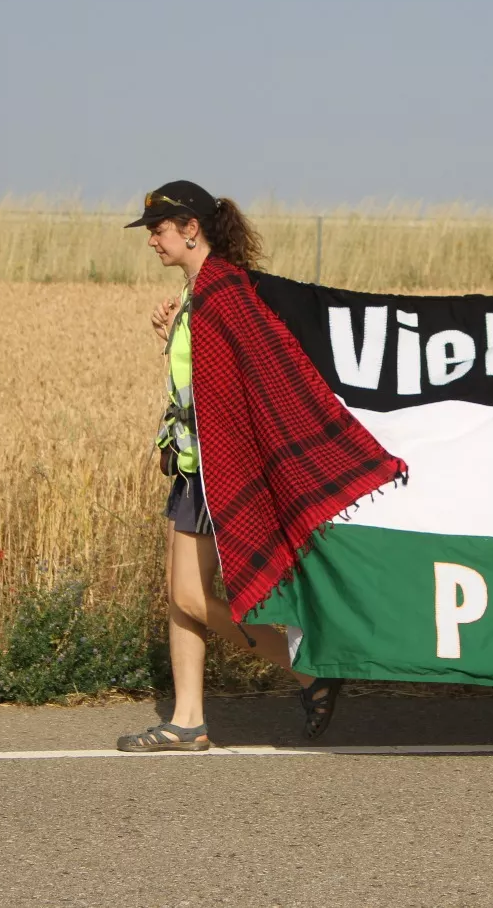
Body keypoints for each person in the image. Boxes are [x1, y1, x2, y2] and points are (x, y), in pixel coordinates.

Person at [115, 180, 341, 751]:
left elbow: (250, 376)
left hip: (219, 470)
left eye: (158, 231)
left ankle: (306, 664)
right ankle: (188, 720)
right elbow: (201, 378)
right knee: (180, 593)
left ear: (191, 228)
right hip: (192, 465)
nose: (151, 242)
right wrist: (172, 337)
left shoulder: (225, 291)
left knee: (192, 597)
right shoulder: (200, 293)